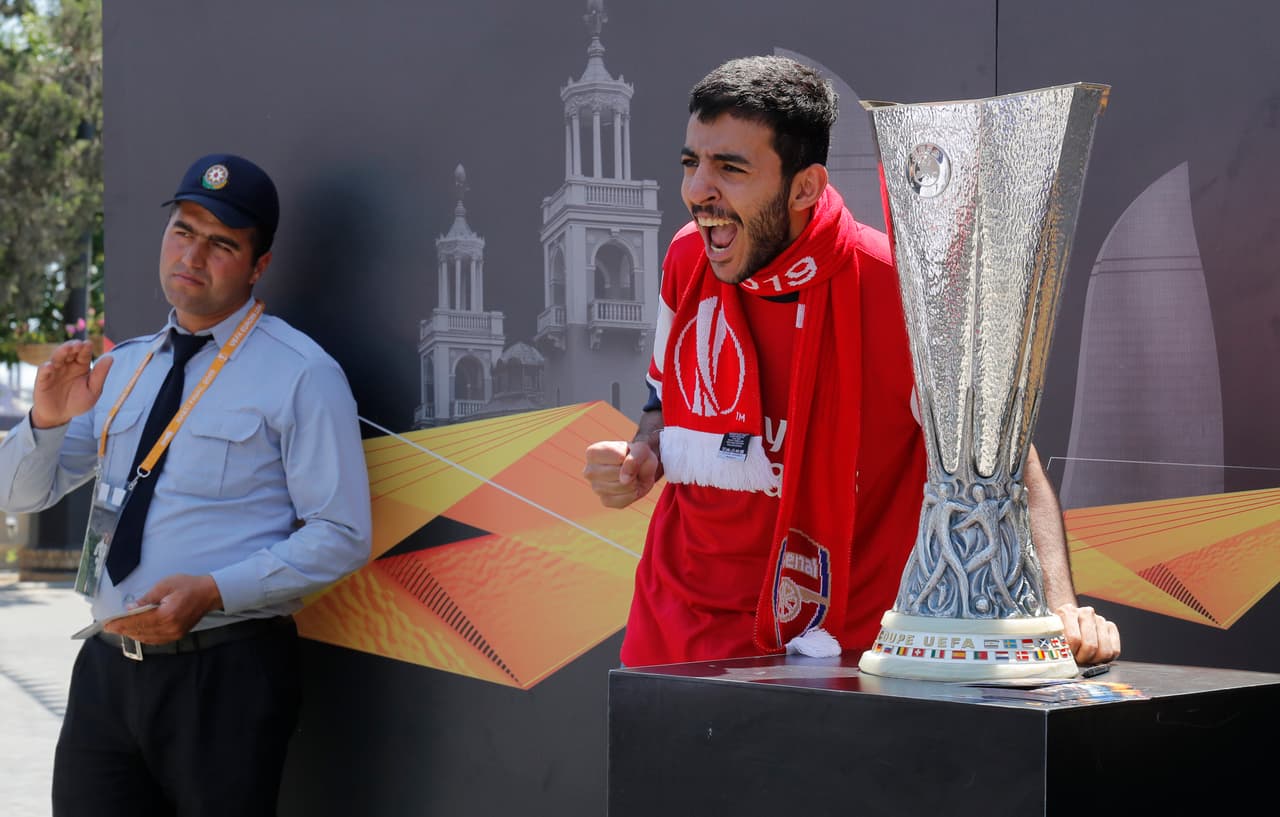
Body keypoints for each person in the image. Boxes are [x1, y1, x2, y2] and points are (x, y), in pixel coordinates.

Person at [583, 56, 1121, 669]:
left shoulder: (899, 288)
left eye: (730, 168)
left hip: (841, 652)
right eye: (691, 163)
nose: (697, 191)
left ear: (804, 187)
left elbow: (1007, 464)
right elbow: (659, 409)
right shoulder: (688, 257)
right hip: (674, 637)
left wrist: (1062, 608)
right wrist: (640, 458)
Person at [0, 153, 372, 817]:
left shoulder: (302, 374)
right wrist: (45, 421)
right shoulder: (121, 368)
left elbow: (342, 533)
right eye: (183, 231)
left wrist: (214, 591)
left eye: (221, 243)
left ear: (258, 266)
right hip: (106, 670)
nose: (192, 256)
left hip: (224, 673)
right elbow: (20, 495)